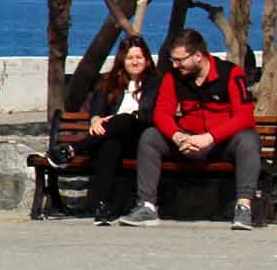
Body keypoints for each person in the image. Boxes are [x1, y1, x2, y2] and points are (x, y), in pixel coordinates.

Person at [117, 29, 261, 230]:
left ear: (198, 56)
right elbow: (162, 114)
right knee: (150, 137)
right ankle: (146, 206)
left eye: (179, 60)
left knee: (248, 140)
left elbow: (245, 116)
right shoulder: (173, 77)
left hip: (220, 142)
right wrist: (178, 136)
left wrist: (209, 138)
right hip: (187, 142)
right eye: (172, 60)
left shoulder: (231, 73)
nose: (175, 65)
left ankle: (244, 207)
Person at [84, 35, 155, 224]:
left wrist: (116, 119)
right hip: (111, 138)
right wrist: (96, 120)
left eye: (139, 57)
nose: (134, 62)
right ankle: (103, 207)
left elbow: (148, 116)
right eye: (130, 57)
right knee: (110, 145)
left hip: (139, 140)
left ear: (147, 59)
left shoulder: (155, 83)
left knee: (125, 118)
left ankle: (75, 148)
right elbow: (96, 111)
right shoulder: (109, 82)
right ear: (122, 60)